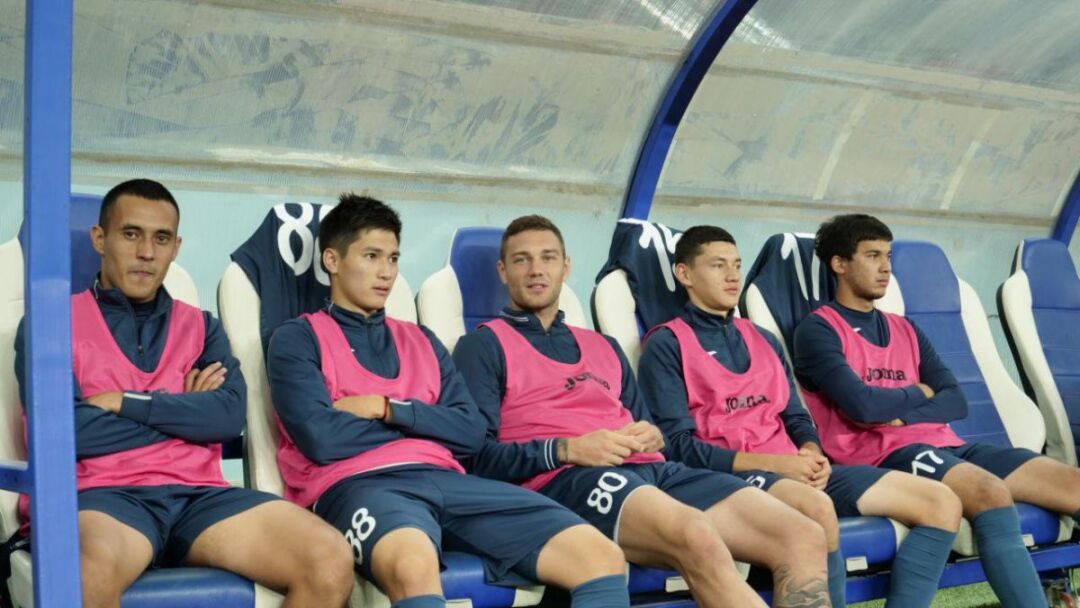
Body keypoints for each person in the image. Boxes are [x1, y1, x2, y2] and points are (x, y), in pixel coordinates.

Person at [266, 195, 629, 608]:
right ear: (332, 260)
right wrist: (431, 426)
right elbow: (323, 439)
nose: (386, 272)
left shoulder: (422, 339)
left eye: (393, 258)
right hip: (357, 485)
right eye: (371, 256)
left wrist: (387, 409)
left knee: (600, 556)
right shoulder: (297, 338)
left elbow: (472, 433)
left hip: (451, 482)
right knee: (413, 564)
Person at [455, 214, 833, 608]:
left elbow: (654, 432)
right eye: (522, 260)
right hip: (566, 478)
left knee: (801, 534)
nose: (536, 270)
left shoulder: (604, 346)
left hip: (651, 471)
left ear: (565, 267)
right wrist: (567, 449)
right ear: (503, 271)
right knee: (696, 531)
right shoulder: (483, 346)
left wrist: (652, 436)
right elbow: (476, 456)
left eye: (548, 258)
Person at [15, 179, 355, 608]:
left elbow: (228, 418)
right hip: (103, 498)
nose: (146, 252)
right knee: (88, 575)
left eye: (161, 239)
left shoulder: (201, 326)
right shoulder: (50, 325)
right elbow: (66, 433)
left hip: (199, 496)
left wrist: (124, 403)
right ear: (100, 239)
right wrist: (186, 416)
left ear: (176, 248)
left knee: (329, 559)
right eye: (131, 234)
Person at [638, 224, 962, 607]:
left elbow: (796, 415)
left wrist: (811, 451)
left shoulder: (763, 338)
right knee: (816, 507)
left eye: (737, 265)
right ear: (685, 274)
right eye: (717, 265)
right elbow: (677, 447)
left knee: (940, 502)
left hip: (793, 469)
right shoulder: (666, 344)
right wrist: (776, 464)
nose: (732, 276)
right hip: (729, 477)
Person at [794, 213, 1080, 608]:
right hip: (883, 455)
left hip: (946, 443)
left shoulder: (905, 328)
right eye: (872, 256)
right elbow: (863, 407)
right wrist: (919, 392)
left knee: (1072, 483)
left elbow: (954, 400)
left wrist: (900, 412)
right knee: (989, 491)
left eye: (888, 256)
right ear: (839, 264)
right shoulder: (818, 330)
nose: (886, 267)